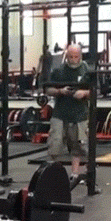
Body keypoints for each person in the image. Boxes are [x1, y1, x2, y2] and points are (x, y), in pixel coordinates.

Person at [45, 44, 91, 189]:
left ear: (80, 56)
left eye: (76, 56)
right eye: (70, 56)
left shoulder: (87, 70)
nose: (73, 59)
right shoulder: (59, 70)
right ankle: (53, 174)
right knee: (55, 144)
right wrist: (60, 91)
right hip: (60, 113)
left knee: (79, 145)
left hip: (80, 114)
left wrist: (84, 93)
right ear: (66, 56)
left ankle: (75, 174)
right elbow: (48, 89)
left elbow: (96, 90)